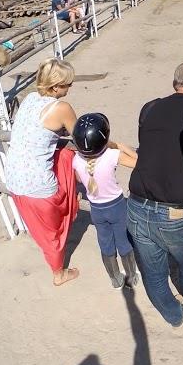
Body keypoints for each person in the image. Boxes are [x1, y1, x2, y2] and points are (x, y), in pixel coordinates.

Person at [126, 61, 183, 327]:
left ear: (176, 84)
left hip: (137, 203)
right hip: (175, 210)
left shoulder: (150, 108)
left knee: (153, 271)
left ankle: (172, 313)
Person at [5, 58, 80, 286]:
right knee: (52, 232)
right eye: (67, 84)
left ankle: (56, 264)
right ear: (56, 87)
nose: (70, 88)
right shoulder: (61, 108)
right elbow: (79, 136)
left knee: (44, 229)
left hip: (14, 177)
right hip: (37, 184)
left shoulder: (29, 98)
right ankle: (59, 274)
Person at [72, 113, 140, 290]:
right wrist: (121, 146)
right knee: (124, 241)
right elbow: (138, 163)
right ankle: (131, 277)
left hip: (96, 209)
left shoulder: (76, 159)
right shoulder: (112, 155)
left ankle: (115, 279)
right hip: (116, 206)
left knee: (105, 243)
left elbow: (80, 180)